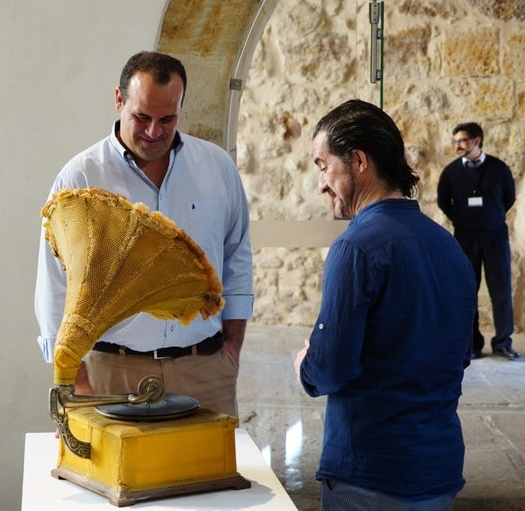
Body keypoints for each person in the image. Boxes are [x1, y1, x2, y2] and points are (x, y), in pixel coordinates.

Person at [34, 51, 254, 416]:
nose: (154, 132)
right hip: (110, 374)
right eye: (142, 117)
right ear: (119, 100)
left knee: (208, 475)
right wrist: (77, 379)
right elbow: (56, 284)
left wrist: (231, 349)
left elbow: (238, 258)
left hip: (206, 368)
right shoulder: (80, 177)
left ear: (182, 105)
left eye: (168, 118)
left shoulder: (218, 167)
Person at [294, 99, 477, 510]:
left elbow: (330, 369)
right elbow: (460, 354)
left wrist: (305, 360)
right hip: (439, 473)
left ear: (358, 161)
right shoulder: (449, 248)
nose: (321, 183)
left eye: (323, 165)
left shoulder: (355, 248)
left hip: (370, 476)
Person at [437, 122, 518, 360]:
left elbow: (509, 198)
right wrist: (461, 220)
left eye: (461, 141)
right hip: (465, 239)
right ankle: (471, 344)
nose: (457, 146)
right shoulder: (450, 172)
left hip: (495, 238)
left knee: (501, 289)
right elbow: (443, 202)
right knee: (466, 291)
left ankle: (503, 342)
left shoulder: (499, 168)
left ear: (477, 141)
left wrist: (491, 216)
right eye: (455, 142)